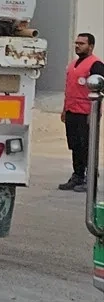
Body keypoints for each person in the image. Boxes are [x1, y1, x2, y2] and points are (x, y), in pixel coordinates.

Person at [60, 32, 104, 193]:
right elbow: (69, 88)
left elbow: (100, 89)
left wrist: (95, 112)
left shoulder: (96, 64)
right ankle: (77, 175)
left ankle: (90, 178)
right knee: (75, 145)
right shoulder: (73, 64)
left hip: (87, 113)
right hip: (72, 110)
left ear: (90, 46)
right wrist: (64, 110)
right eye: (76, 43)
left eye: (81, 43)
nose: (77, 46)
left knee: (87, 146)